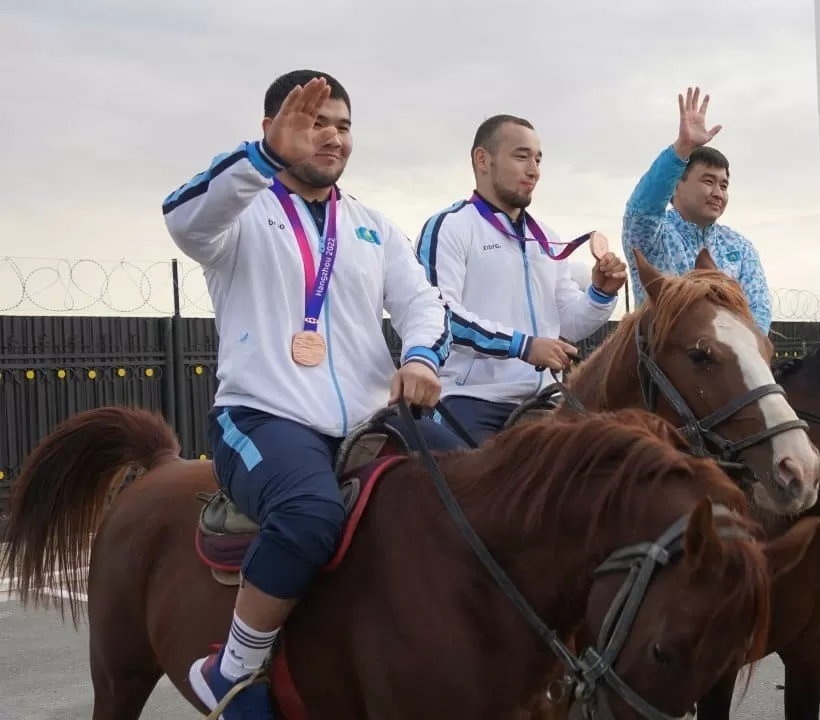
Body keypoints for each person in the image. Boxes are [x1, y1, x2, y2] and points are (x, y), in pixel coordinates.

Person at [162, 70, 465, 719]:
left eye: (343, 125)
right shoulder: (240, 212)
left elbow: (421, 302)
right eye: (315, 122)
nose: (332, 136)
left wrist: (417, 356)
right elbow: (183, 218)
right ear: (275, 128)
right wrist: (261, 158)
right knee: (309, 515)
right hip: (264, 418)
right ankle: (234, 669)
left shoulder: (372, 226)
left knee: (478, 482)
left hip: (372, 418)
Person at [415, 114, 627, 444]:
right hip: (471, 398)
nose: (534, 170)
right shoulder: (450, 226)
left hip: (546, 399)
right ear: (483, 159)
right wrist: (522, 345)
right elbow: (438, 316)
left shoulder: (546, 237)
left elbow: (566, 325)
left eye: (538, 159)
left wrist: (600, 294)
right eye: (521, 156)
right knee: (481, 491)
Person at [620, 87, 772, 335]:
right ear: (676, 185)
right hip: (659, 367)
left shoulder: (739, 248)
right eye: (708, 181)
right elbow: (642, 210)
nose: (718, 193)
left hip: (724, 368)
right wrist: (682, 148)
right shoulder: (653, 237)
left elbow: (759, 312)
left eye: (724, 185)